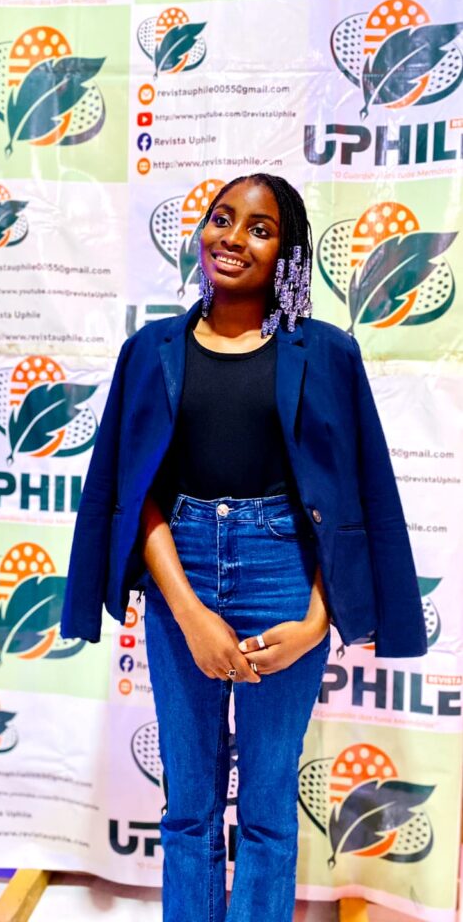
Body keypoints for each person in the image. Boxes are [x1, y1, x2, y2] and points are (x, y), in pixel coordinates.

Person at [61, 173, 427, 922]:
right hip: (181, 569)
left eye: (260, 229)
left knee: (266, 808)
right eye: (222, 219)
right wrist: (189, 612)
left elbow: (351, 499)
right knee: (188, 807)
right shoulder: (151, 350)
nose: (233, 238)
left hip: (285, 571)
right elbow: (136, 494)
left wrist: (317, 621)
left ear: (287, 252)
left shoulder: (327, 353)